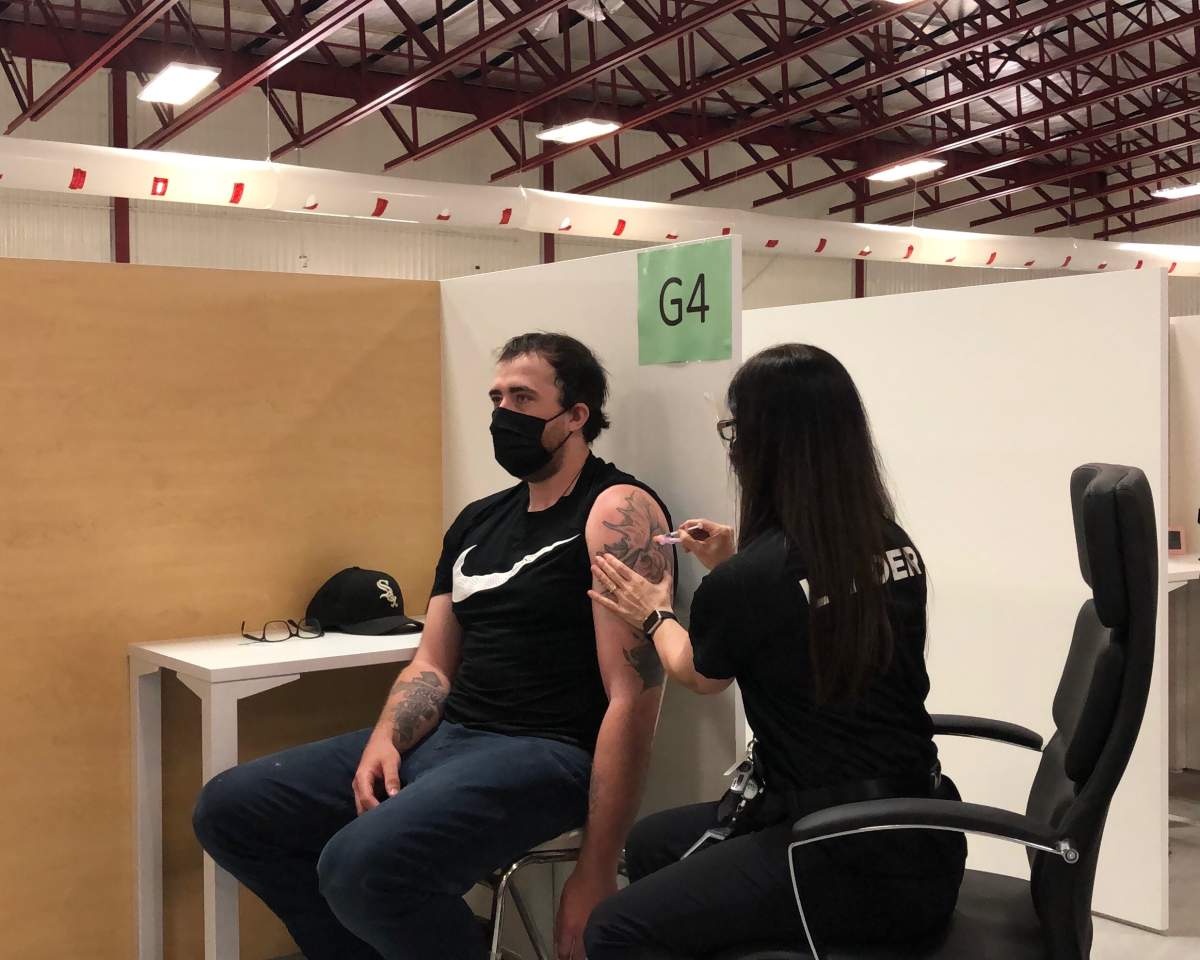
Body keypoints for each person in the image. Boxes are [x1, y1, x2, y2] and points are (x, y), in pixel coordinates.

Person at [192, 332, 673, 960]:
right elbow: (433, 662)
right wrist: (384, 740)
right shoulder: (477, 521)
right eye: (497, 397)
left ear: (577, 415)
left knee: (359, 864)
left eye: (523, 398)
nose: (504, 413)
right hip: (453, 736)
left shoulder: (616, 511)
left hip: (546, 752)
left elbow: (633, 695)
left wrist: (597, 865)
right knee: (231, 809)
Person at [582, 343, 966, 959]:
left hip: (839, 854)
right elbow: (806, 625)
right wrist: (735, 566)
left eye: (732, 429)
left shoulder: (749, 583)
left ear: (759, 444)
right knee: (654, 843)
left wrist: (654, 613)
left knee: (615, 928)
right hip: (920, 832)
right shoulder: (894, 546)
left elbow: (699, 675)